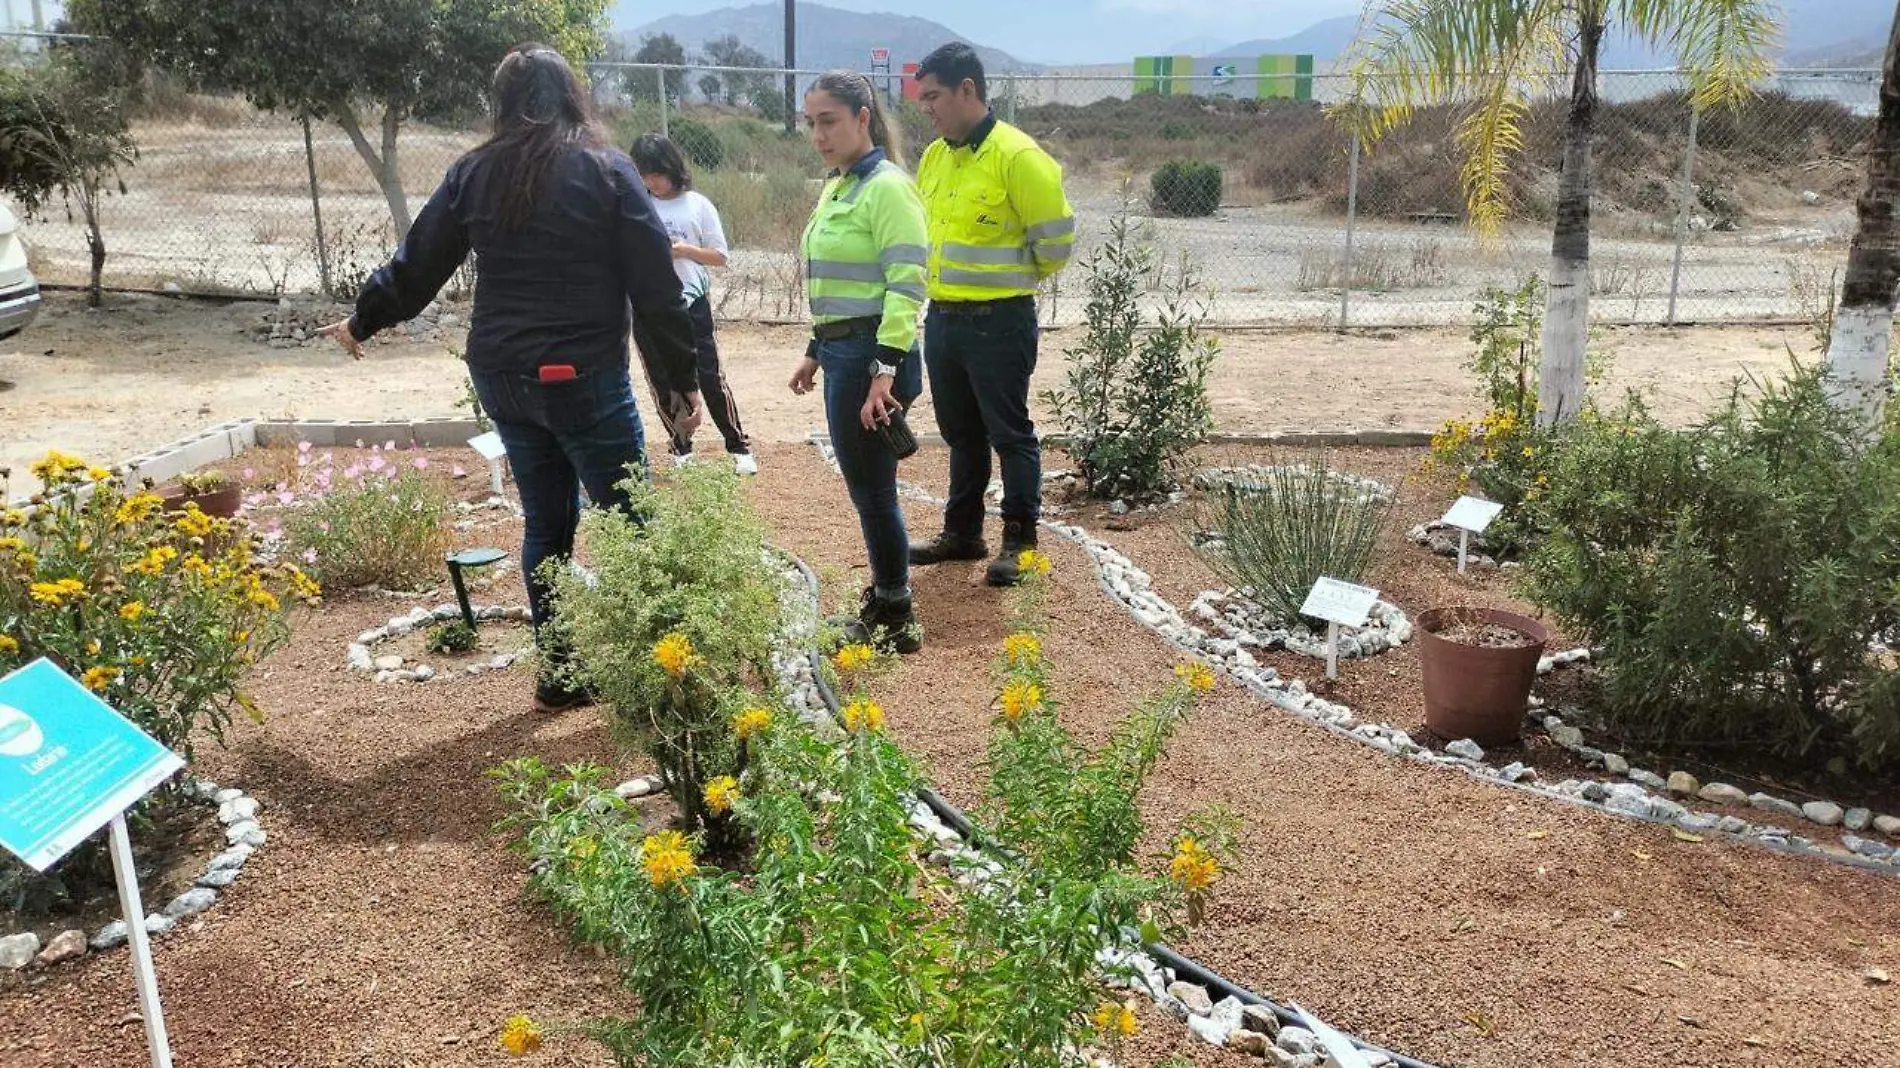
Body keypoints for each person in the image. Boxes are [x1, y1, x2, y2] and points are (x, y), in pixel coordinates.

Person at [320, 44, 702, 713]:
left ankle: (559, 674)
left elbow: (418, 266)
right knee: (633, 525)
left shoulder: (473, 172)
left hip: (503, 377)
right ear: (571, 97)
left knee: (546, 527)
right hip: (583, 377)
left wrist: (363, 320)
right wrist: (680, 385)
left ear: (503, 102)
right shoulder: (607, 171)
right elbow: (657, 292)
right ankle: (661, 684)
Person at [909, 42, 1076, 587]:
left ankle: (1020, 544)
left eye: (932, 95)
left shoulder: (1018, 155)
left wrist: (1009, 283)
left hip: (1000, 321)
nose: (925, 107)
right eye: (921, 97)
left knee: (1010, 433)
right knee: (960, 434)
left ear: (968, 90)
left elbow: (1054, 243)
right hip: (945, 320)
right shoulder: (936, 156)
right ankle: (963, 534)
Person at [788, 71, 929, 653]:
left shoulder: (888, 189)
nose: (818, 135)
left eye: (829, 121)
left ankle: (897, 613)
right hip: (845, 355)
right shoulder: (840, 186)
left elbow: (905, 287)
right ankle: (890, 600)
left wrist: (883, 373)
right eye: (811, 123)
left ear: (863, 117)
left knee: (873, 493)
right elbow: (841, 285)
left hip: (874, 362)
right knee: (869, 488)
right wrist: (815, 352)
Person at [627, 133, 757, 475]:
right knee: (661, 380)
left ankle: (738, 445)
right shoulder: (637, 205)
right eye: (644, 174)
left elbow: (720, 256)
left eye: (656, 173)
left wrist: (684, 250)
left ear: (672, 167)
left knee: (709, 376)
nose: (651, 181)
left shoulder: (697, 204)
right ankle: (681, 448)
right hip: (648, 307)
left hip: (691, 303)